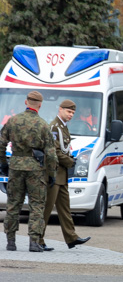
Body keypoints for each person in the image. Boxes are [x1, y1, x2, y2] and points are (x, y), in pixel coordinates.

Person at [1, 91, 57, 252]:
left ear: (26, 102)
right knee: (37, 205)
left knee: (13, 205)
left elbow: (1, 143)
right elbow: (51, 154)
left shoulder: (13, 121)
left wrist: (4, 163)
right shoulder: (43, 125)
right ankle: (33, 242)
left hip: (16, 166)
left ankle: (10, 242)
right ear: (40, 105)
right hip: (35, 169)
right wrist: (52, 173)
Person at [38, 100, 91, 251]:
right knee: (47, 208)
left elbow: (63, 148)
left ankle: (71, 238)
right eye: (68, 112)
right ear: (60, 109)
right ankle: (38, 239)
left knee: (65, 208)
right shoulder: (55, 127)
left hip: (61, 175)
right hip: (53, 173)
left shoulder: (63, 126)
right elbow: (54, 151)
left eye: (73, 113)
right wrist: (70, 162)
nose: (71, 115)